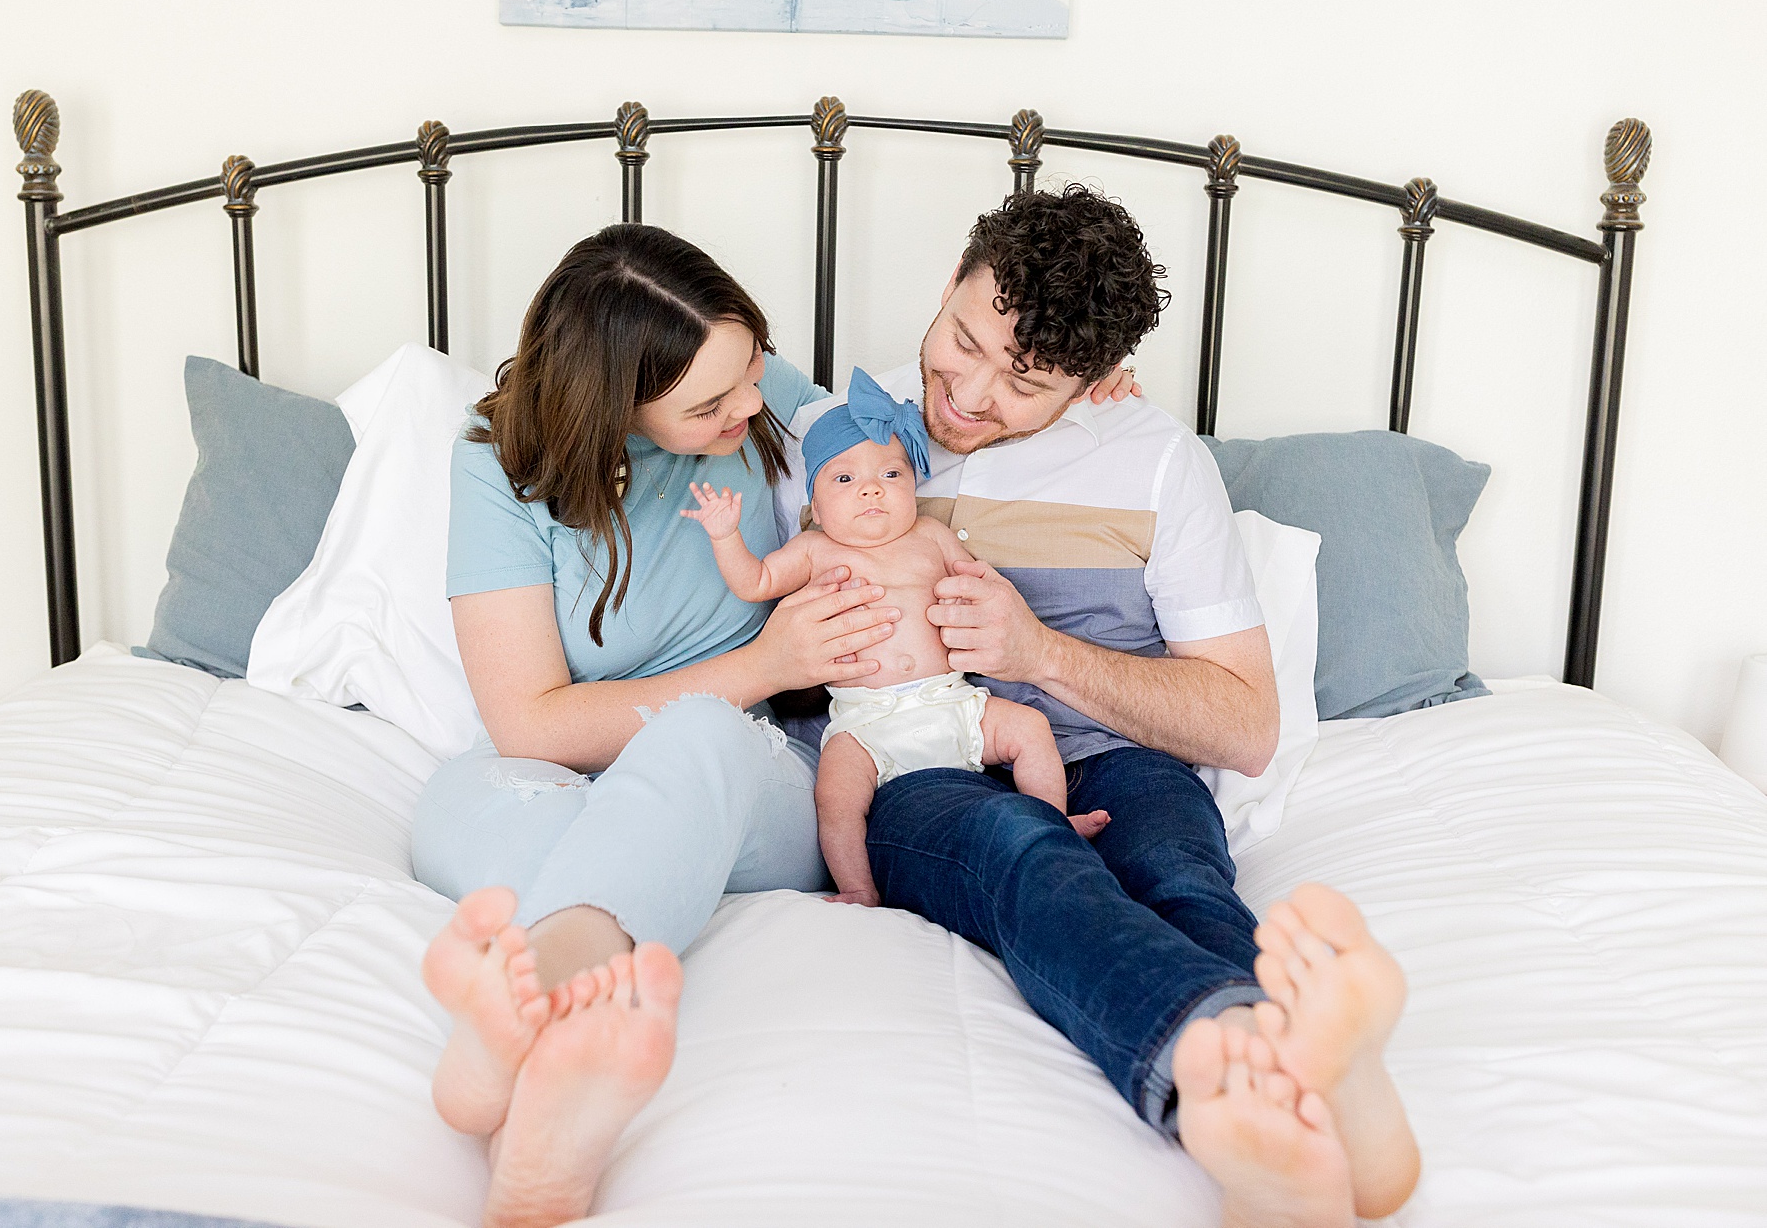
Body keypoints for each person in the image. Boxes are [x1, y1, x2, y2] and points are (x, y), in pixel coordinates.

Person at [408, 219, 1139, 1227]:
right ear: (614, 405)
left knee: (697, 734)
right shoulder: (496, 464)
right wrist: (764, 658)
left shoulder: (761, 394)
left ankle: (544, 999)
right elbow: (527, 722)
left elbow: (910, 432)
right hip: (584, 767)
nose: (756, 405)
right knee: (454, 798)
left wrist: (1072, 381)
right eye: (712, 403)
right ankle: (540, 1078)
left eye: (754, 367)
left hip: (753, 773)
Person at [774, 185, 1421, 1224]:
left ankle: (1278, 1121)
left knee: (1177, 874)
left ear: (1091, 380)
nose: (970, 394)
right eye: (962, 340)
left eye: (1025, 381)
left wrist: (1042, 653)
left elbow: (1245, 727)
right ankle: (1295, 1080)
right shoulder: (836, 435)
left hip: (1115, 755)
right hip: (922, 768)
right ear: (950, 282)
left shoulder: (1155, 458)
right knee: (1016, 844)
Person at [680, 367, 1104, 907]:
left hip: (954, 703)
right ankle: (858, 887)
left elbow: (982, 584)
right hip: (867, 722)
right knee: (834, 796)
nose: (871, 490)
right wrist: (724, 535)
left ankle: (1052, 819)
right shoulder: (814, 550)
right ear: (814, 498)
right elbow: (755, 582)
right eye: (844, 480)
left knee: (1030, 728)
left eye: (891, 474)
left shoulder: (932, 536)